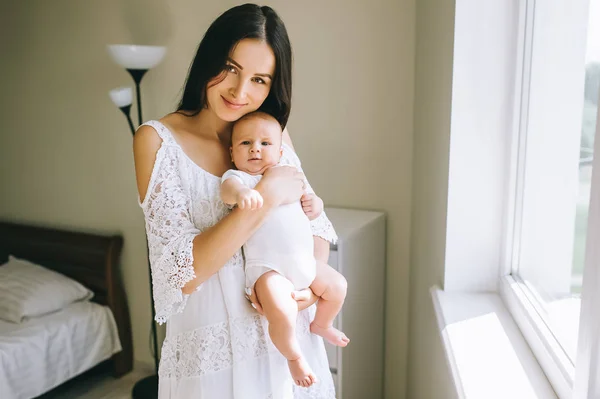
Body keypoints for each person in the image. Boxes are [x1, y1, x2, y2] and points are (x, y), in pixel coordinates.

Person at [133, 4, 339, 398]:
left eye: (259, 79)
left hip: (288, 351)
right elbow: (183, 273)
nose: (240, 91)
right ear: (208, 58)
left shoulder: (270, 133)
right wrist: (265, 196)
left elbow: (315, 226)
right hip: (213, 359)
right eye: (230, 67)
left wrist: (308, 291)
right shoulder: (157, 142)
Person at [221, 111, 349, 387]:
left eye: (265, 143)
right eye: (245, 143)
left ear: (280, 152)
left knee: (337, 286)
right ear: (232, 152)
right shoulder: (239, 178)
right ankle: (294, 357)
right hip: (268, 269)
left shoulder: (289, 174)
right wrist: (243, 195)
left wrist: (317, 204)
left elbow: (311, 202)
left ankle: (322, 324)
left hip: (305, 263)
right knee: (281, 310)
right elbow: (227, 192)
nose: (255, 148)